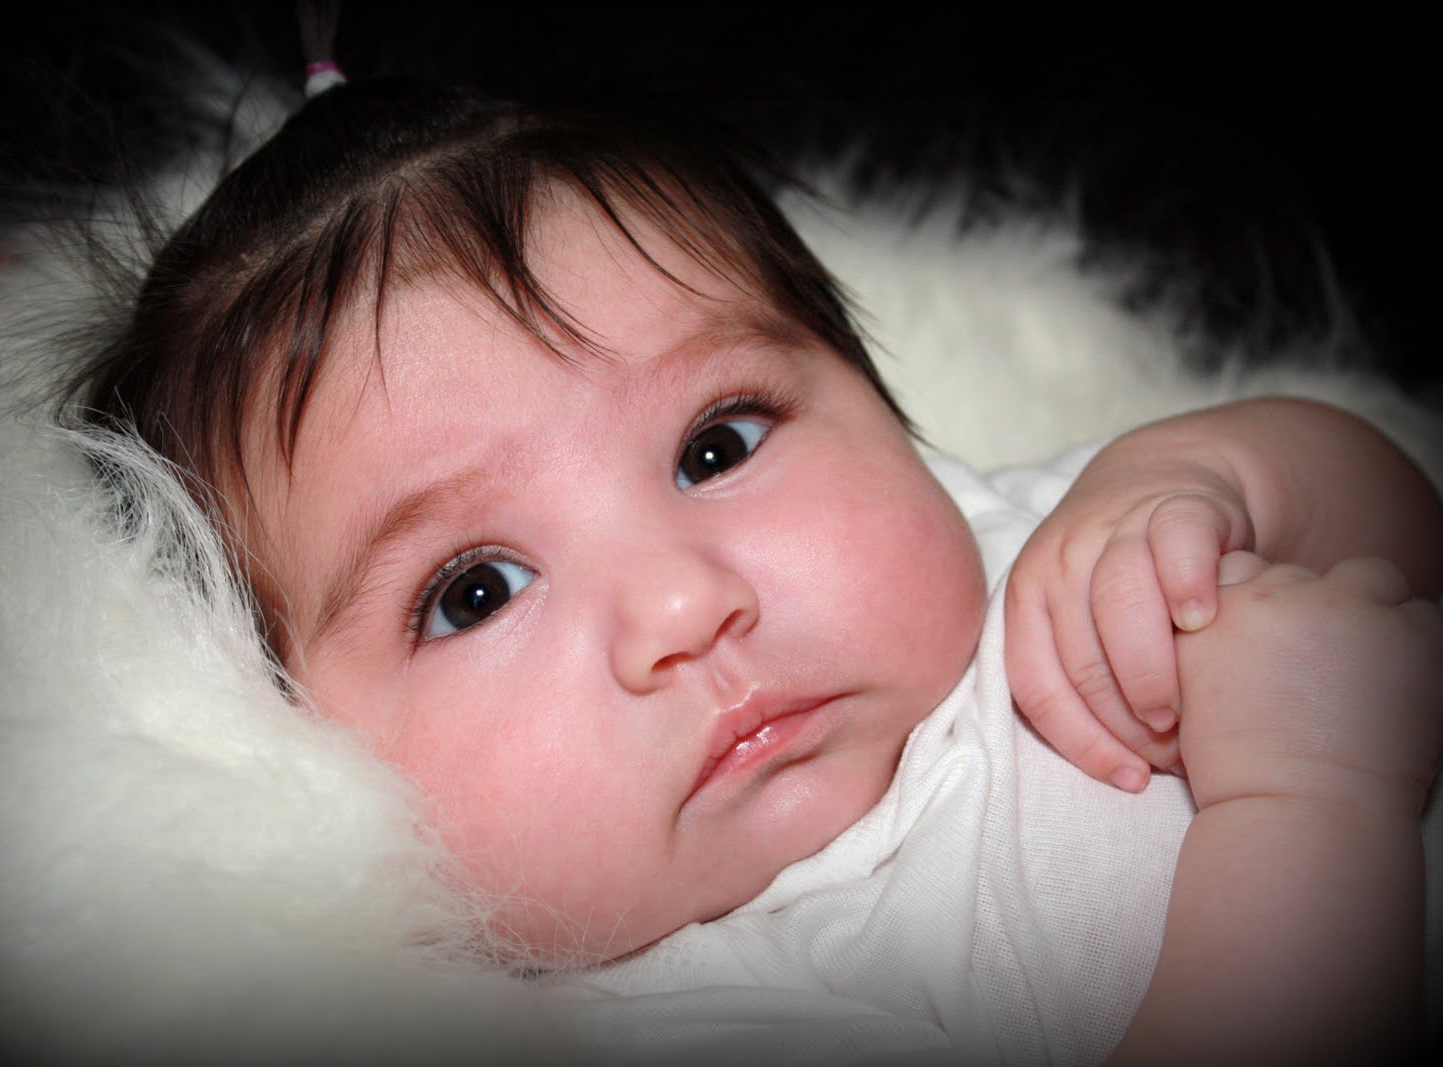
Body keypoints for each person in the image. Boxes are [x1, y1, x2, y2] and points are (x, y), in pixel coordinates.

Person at [80, 77, 1443, 1060]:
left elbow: (1395, 525)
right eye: (474, 591)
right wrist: (1311, 801)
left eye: (716, 446)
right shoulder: (679, 1013)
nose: (683, 607)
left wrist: (1197, 481)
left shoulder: (1024, 555)